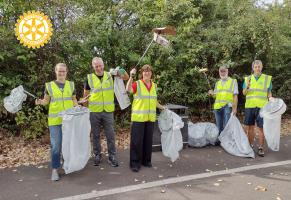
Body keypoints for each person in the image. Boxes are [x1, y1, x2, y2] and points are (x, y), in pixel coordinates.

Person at [83, 57, 129, 167]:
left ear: (103, 65)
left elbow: (126, 77)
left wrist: (120, 70)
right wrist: (85, 109)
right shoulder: (89, 78)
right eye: (96, 66)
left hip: (108, 111)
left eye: (100, 65)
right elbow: (85, 95)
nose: (98, 68)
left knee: (110, 135)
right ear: (93, 66)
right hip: (94, 111)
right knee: (95, 135)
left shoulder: (111, 75)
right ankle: (97, 155)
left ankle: (112, 156)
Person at [35, 63, 78, 181]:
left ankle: (66, 164)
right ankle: (55, 169)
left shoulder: (71, 85)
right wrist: (40, 102)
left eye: (63, 71)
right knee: (56, 146)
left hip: (69, 120)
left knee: (67, 144)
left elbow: (73, 100)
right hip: (55, 121)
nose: (61, 73)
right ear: (55, 71)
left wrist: (78, 106)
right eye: (59, 71)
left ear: (66, 72)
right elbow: (46, 101)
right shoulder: (49, 86)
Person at [126, 64, 165, 172]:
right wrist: (131, 77)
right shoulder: (137, 84)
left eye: (148, 71)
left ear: (151, 73)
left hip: (150, 118)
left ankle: (146, 161)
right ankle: (135, 163)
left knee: (147, 141)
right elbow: (128, 89)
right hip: (138, 118)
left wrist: (163, 108)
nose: (146, 73)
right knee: (136, 142)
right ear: (141, 73)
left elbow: (154, 101)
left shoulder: (154, 85)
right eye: (144, 71)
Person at [242, 60, 272, 157]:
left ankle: (260, 148)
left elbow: (269, 92)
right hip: (250, 106)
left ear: (262, 67)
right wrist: (247, 87)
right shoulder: (248, 79)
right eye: (255, 67)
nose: (257, 68)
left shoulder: (267, 78)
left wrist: (271, 98)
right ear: (253, 68)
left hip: (262, 107)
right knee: (250, 127)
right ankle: (250, 146)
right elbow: (244, 93)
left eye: (259, 67)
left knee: (261, 128)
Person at [208, 65, 238, 144]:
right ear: (219, 72)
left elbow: (235, 96)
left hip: (227, 106)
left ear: (227, 71)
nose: (222, 73)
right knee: (219, 126)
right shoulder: (217, 83)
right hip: (217, 107)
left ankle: (227, 142)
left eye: (224, 71)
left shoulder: (233, 81)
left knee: (227, 126)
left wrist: (235, 109)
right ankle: (220, 141)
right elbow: (216, 95)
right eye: (221, 71)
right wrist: (212, 93)